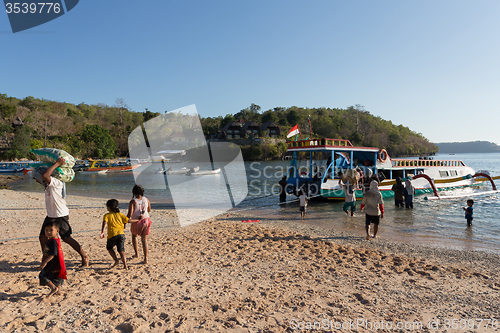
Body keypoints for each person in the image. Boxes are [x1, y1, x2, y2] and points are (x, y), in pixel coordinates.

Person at [33, 158, 89, 267]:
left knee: (67, 238)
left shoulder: (56, 182)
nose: (36, 181)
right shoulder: (47, 186)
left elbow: (45, 176)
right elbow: (44, 177)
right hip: (50, 216)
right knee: (42, 237)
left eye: (36, 178)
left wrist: (57, 163)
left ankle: (84, 256)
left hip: (60, 215)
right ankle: (46, 257)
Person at [38, 219, 67, 298]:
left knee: (42, 276)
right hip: (57, 264)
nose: (48, 232)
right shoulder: (55, 239)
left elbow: (53, 254)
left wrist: (45, 262)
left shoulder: (53, 242)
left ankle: (53, 288)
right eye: (46, 230)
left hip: (52, 264)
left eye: (51, 230)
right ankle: (58, 291)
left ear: (57, 230)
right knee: (56, 278)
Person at [101, 199, 130, 269]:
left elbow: (104, 223)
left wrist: (102, 232)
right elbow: (129, 220)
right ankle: (125, 265)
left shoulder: (107, 215)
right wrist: (138, 220)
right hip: (121, 235)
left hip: (112, 235)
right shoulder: (120, 214)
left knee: (109, 248)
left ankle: (116, 260)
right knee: (121, 250)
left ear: (109, 207)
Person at [127, 185, 152, 264]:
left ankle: (136, 254)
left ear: (133, 192)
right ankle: (146, 259)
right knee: (144, 240)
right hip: (146, 220)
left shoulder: (133, 201)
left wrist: (125, 220)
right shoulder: (146, 199)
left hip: (136, 221)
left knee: (134, 236)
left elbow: (129, 214)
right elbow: (149, 210)